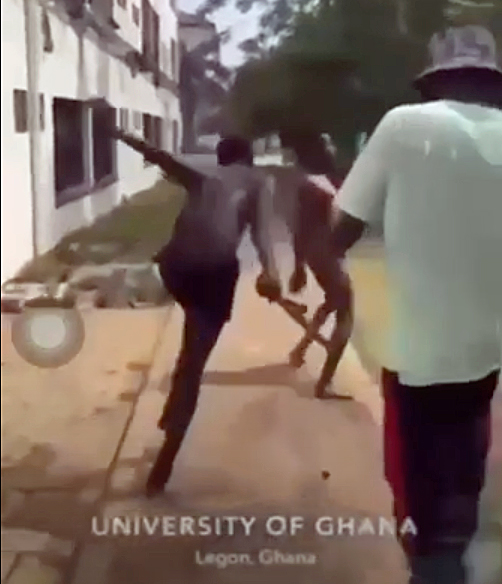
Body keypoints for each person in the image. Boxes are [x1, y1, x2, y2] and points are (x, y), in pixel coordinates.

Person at [328, 25, 502, 584]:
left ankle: (434, 564)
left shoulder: (403, 125)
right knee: (468, 446)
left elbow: (341, 230)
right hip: (487, 342)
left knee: (417, 481)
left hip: (417, 351)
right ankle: (455, 536)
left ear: (436, 81)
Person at [145, 136, 281, 497]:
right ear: (249, 159)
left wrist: (122, 136)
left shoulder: (204, 176)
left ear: (221, 159)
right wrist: (271, 273)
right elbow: (263, 233)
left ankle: (175, 405)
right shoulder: (256, 182)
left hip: (175, 269)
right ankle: (167, 453)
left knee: (189, 350)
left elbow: (162, 157)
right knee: (193, 361)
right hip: (213, 276)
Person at [282, 134, 354, 399]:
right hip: (324, 255)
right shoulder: (310, 186)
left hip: (328, 253)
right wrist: (298, 266)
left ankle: (300, 349)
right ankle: (325, 383)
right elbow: (299, 228)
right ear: (317, 152)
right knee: (346, 310)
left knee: (333, 300)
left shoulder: (329, 180)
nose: (333, 147)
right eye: (327, 144)